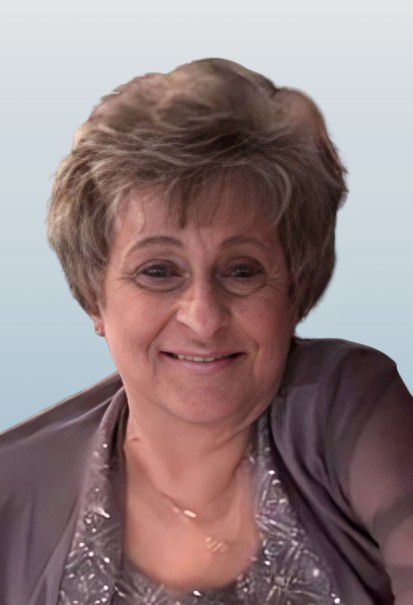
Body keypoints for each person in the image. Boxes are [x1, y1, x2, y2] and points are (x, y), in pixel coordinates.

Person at [0, 58, 412, 605]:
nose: (204, 317)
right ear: (94, 296)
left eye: (241, 271)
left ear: (294, 288)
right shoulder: (14, 492)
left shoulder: (342, 402)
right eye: (158, 271)